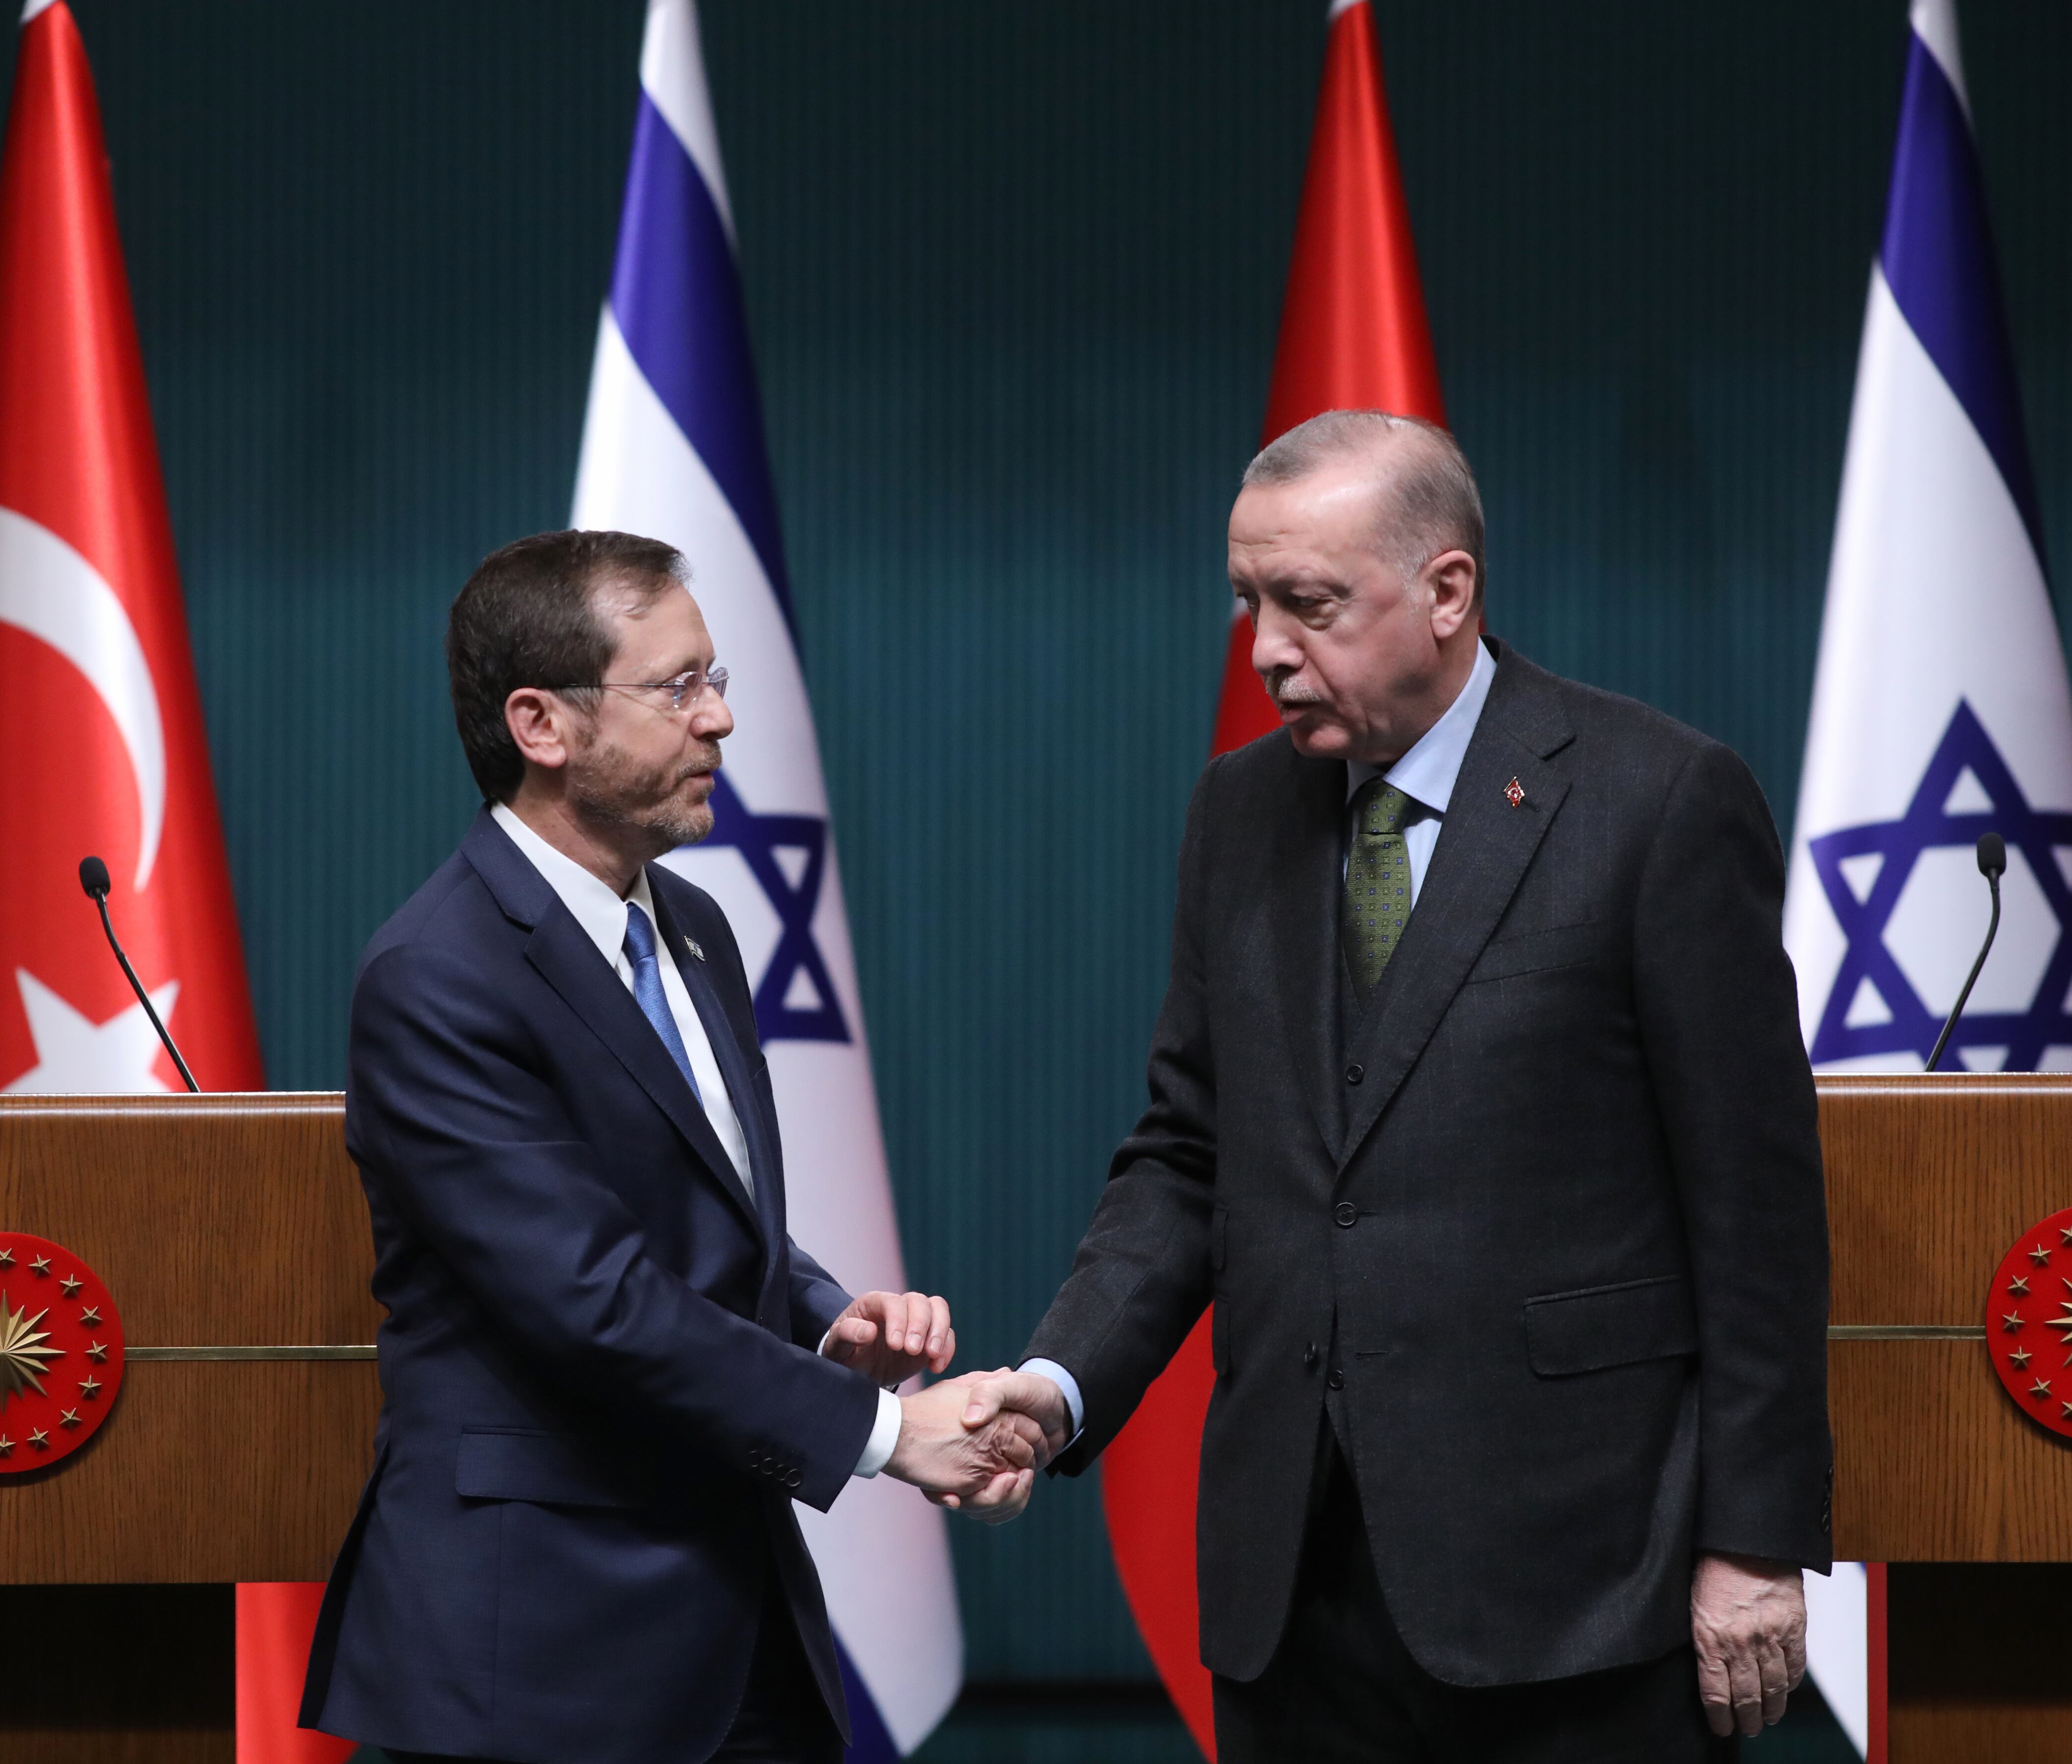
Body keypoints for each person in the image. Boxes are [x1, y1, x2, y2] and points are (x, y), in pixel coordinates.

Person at [961, 412, 1833, 1762]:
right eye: (1249, 603)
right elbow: (1192, 1155)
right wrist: (1060, 1380)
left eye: (1309, 605)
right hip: (1296, 1593)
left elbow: (1755, 1208)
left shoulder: (1655, 802)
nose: (1264, 652)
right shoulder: (1237, 814)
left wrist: (1754, 1542)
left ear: (1446, 592)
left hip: (1583, 1583)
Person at [302, 530, 1040, 1764]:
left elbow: (694, 1209)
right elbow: (591, 1300)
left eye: (718, 679)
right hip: (544, 1653)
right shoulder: (437, 975)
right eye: (679, 686)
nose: (721, 722)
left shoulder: (691, 926)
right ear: (541, 725)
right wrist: (890, 1438)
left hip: (735, 1614)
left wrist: (816, 1316)